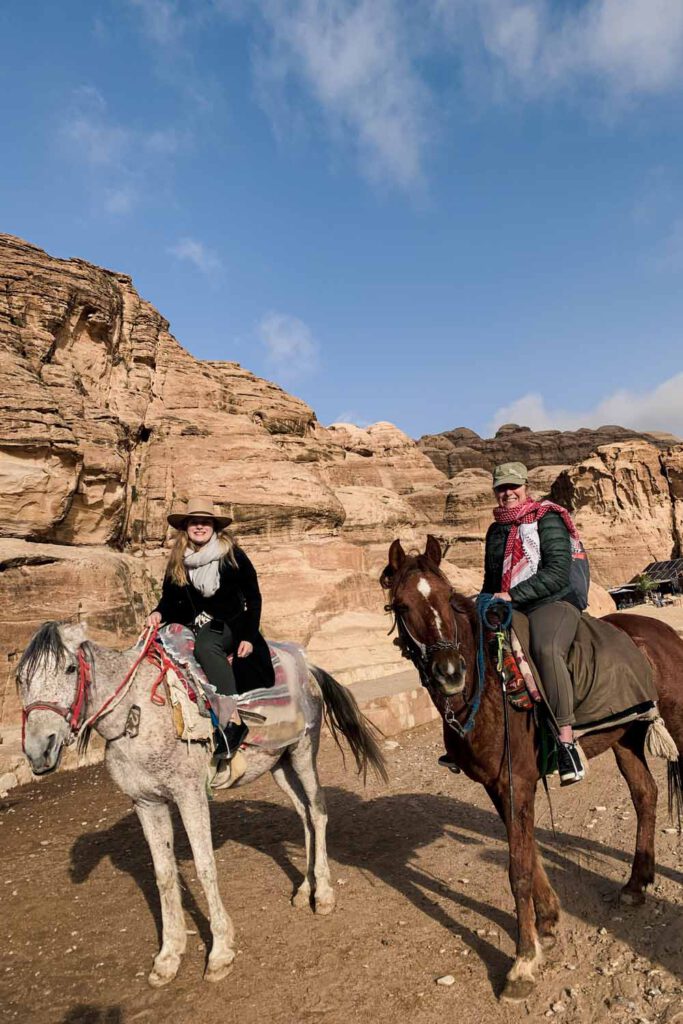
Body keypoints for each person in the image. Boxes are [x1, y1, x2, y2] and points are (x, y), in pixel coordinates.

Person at [146, 496, 274, 759]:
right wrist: (158, 612)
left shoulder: (232, 555)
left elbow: (253, 598)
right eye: (195, 522)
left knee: (206, 646)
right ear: (187, 527)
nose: (200, 527)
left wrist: (249, 636)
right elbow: (170, 599)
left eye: (205, 522)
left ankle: (234, 720)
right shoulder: (180, 560)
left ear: (214, 527)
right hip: (194, 624)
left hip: (230, 623)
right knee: (159, 646)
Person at [482, 462, 585, 785]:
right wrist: (482, 602)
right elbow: (492, 578)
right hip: (512, 604)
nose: (507, 493)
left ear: (525, 486)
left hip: (551, 601)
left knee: (546, 648)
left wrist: (512, 596)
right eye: (501, 488)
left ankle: (566, 742)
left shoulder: (548, 517)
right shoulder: (496, 530)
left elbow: (557, 572)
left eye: (513, 486)